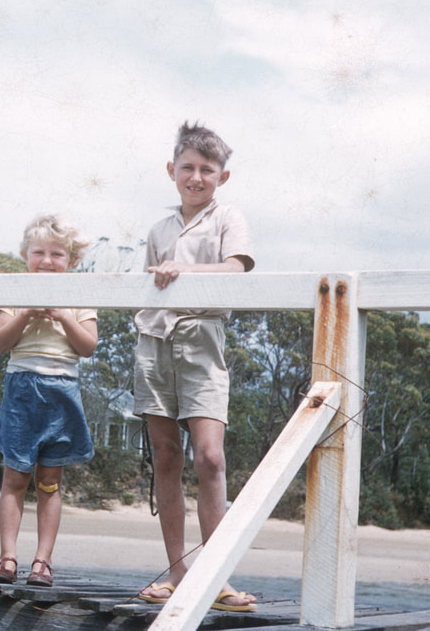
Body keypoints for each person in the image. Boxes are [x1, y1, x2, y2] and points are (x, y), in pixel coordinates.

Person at [133, 121, 258, 612]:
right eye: (188, 167)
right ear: (172, 171)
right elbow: (146, 286)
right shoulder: (159, 229)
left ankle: (217, 576)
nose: (196, 177)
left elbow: (235, 269)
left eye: (207, 169)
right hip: (153, 341)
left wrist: (183, 271)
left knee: (209, 457)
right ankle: (177, 573)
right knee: (166, 456)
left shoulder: (229, 217)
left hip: (202, 342)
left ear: (221, 176)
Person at [0, 214, 98, 588]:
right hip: (22, 389)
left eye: (57, 254)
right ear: (25, 255)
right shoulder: (15, 290)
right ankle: (8, 558)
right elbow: (1, 342)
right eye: (39, 253)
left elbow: (87, 347)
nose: (47, 261)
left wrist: (65, 316)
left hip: (62, 390)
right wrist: (28, 313)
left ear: (71, 261)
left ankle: (42, 562)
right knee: (14, 477)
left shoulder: (80, 297)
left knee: (49, 481)